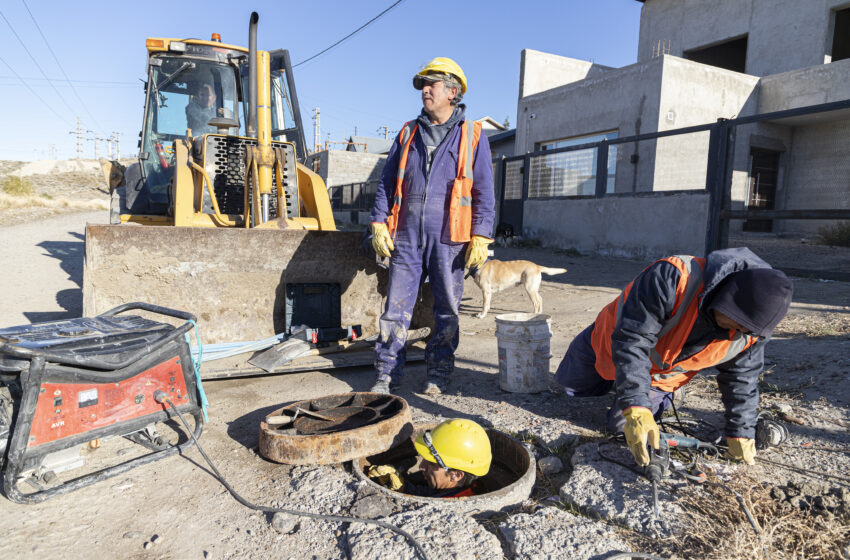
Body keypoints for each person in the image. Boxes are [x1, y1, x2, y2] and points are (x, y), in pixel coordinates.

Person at [554, 247, 793, 467]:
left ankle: (661, 393)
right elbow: (633, 339)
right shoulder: (674, 276)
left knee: (622, 429)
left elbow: (742, 379)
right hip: (608, 343)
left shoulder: (751, 331)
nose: (739, 332)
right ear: (727, 299)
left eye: (746, 330)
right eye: (737, 322)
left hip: (662, 376)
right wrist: (635, 402)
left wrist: (741, 431)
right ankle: (626, 385)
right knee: (571, 386)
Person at [368, 57, 495, 395]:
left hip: (450, 238)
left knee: (446, 310)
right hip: (406, 235)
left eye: (432, 84)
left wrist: (481, 234)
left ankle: (438, 372)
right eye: (423, 85)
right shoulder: (408, 132)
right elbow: (386, 183)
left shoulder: (473, 135)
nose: (425, 90)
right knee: (395, 310)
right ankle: (386, 374)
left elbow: (484, 190)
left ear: (452, 92)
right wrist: (378, 222)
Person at [367, 418, 491, 498]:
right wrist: (404, 487)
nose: (421, 466)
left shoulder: (448, 504)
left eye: (431, 463)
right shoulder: (455, 488)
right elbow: (430, 493)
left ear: (456, 475)